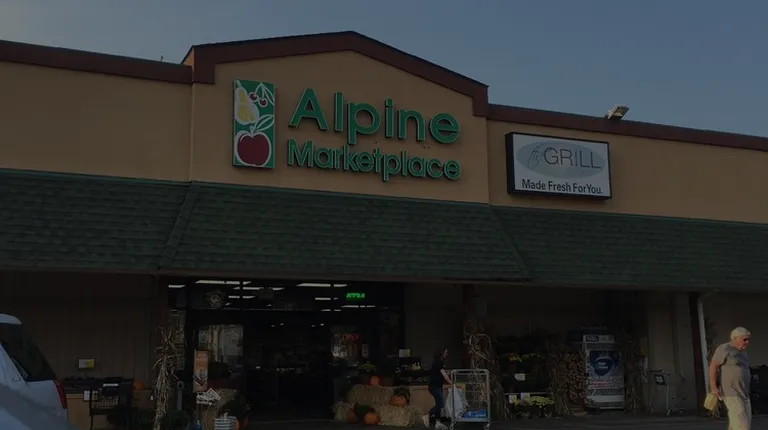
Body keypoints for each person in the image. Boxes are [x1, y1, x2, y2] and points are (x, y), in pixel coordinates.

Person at [709, 327, 752, 430]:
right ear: (735, 338)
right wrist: (713, 386)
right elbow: (713, 366)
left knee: (741, 422)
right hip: (731, 392)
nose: (747, 342)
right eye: (744, 339)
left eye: (748, 339)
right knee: (742, 425)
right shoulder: (725, 349)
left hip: (744, 392)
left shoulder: (743, 352)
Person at [423, 348, 452, 428]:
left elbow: (440, 373)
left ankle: (438, 422)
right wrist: (451, 383)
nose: (447, 354)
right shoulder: (439, 362)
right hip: (435, 387)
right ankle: (428, 415)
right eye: (446, 352)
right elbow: (444, 375)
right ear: (441, 354)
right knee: (441, 404)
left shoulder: (437, 362)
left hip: (437, 386)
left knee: (438, 404)